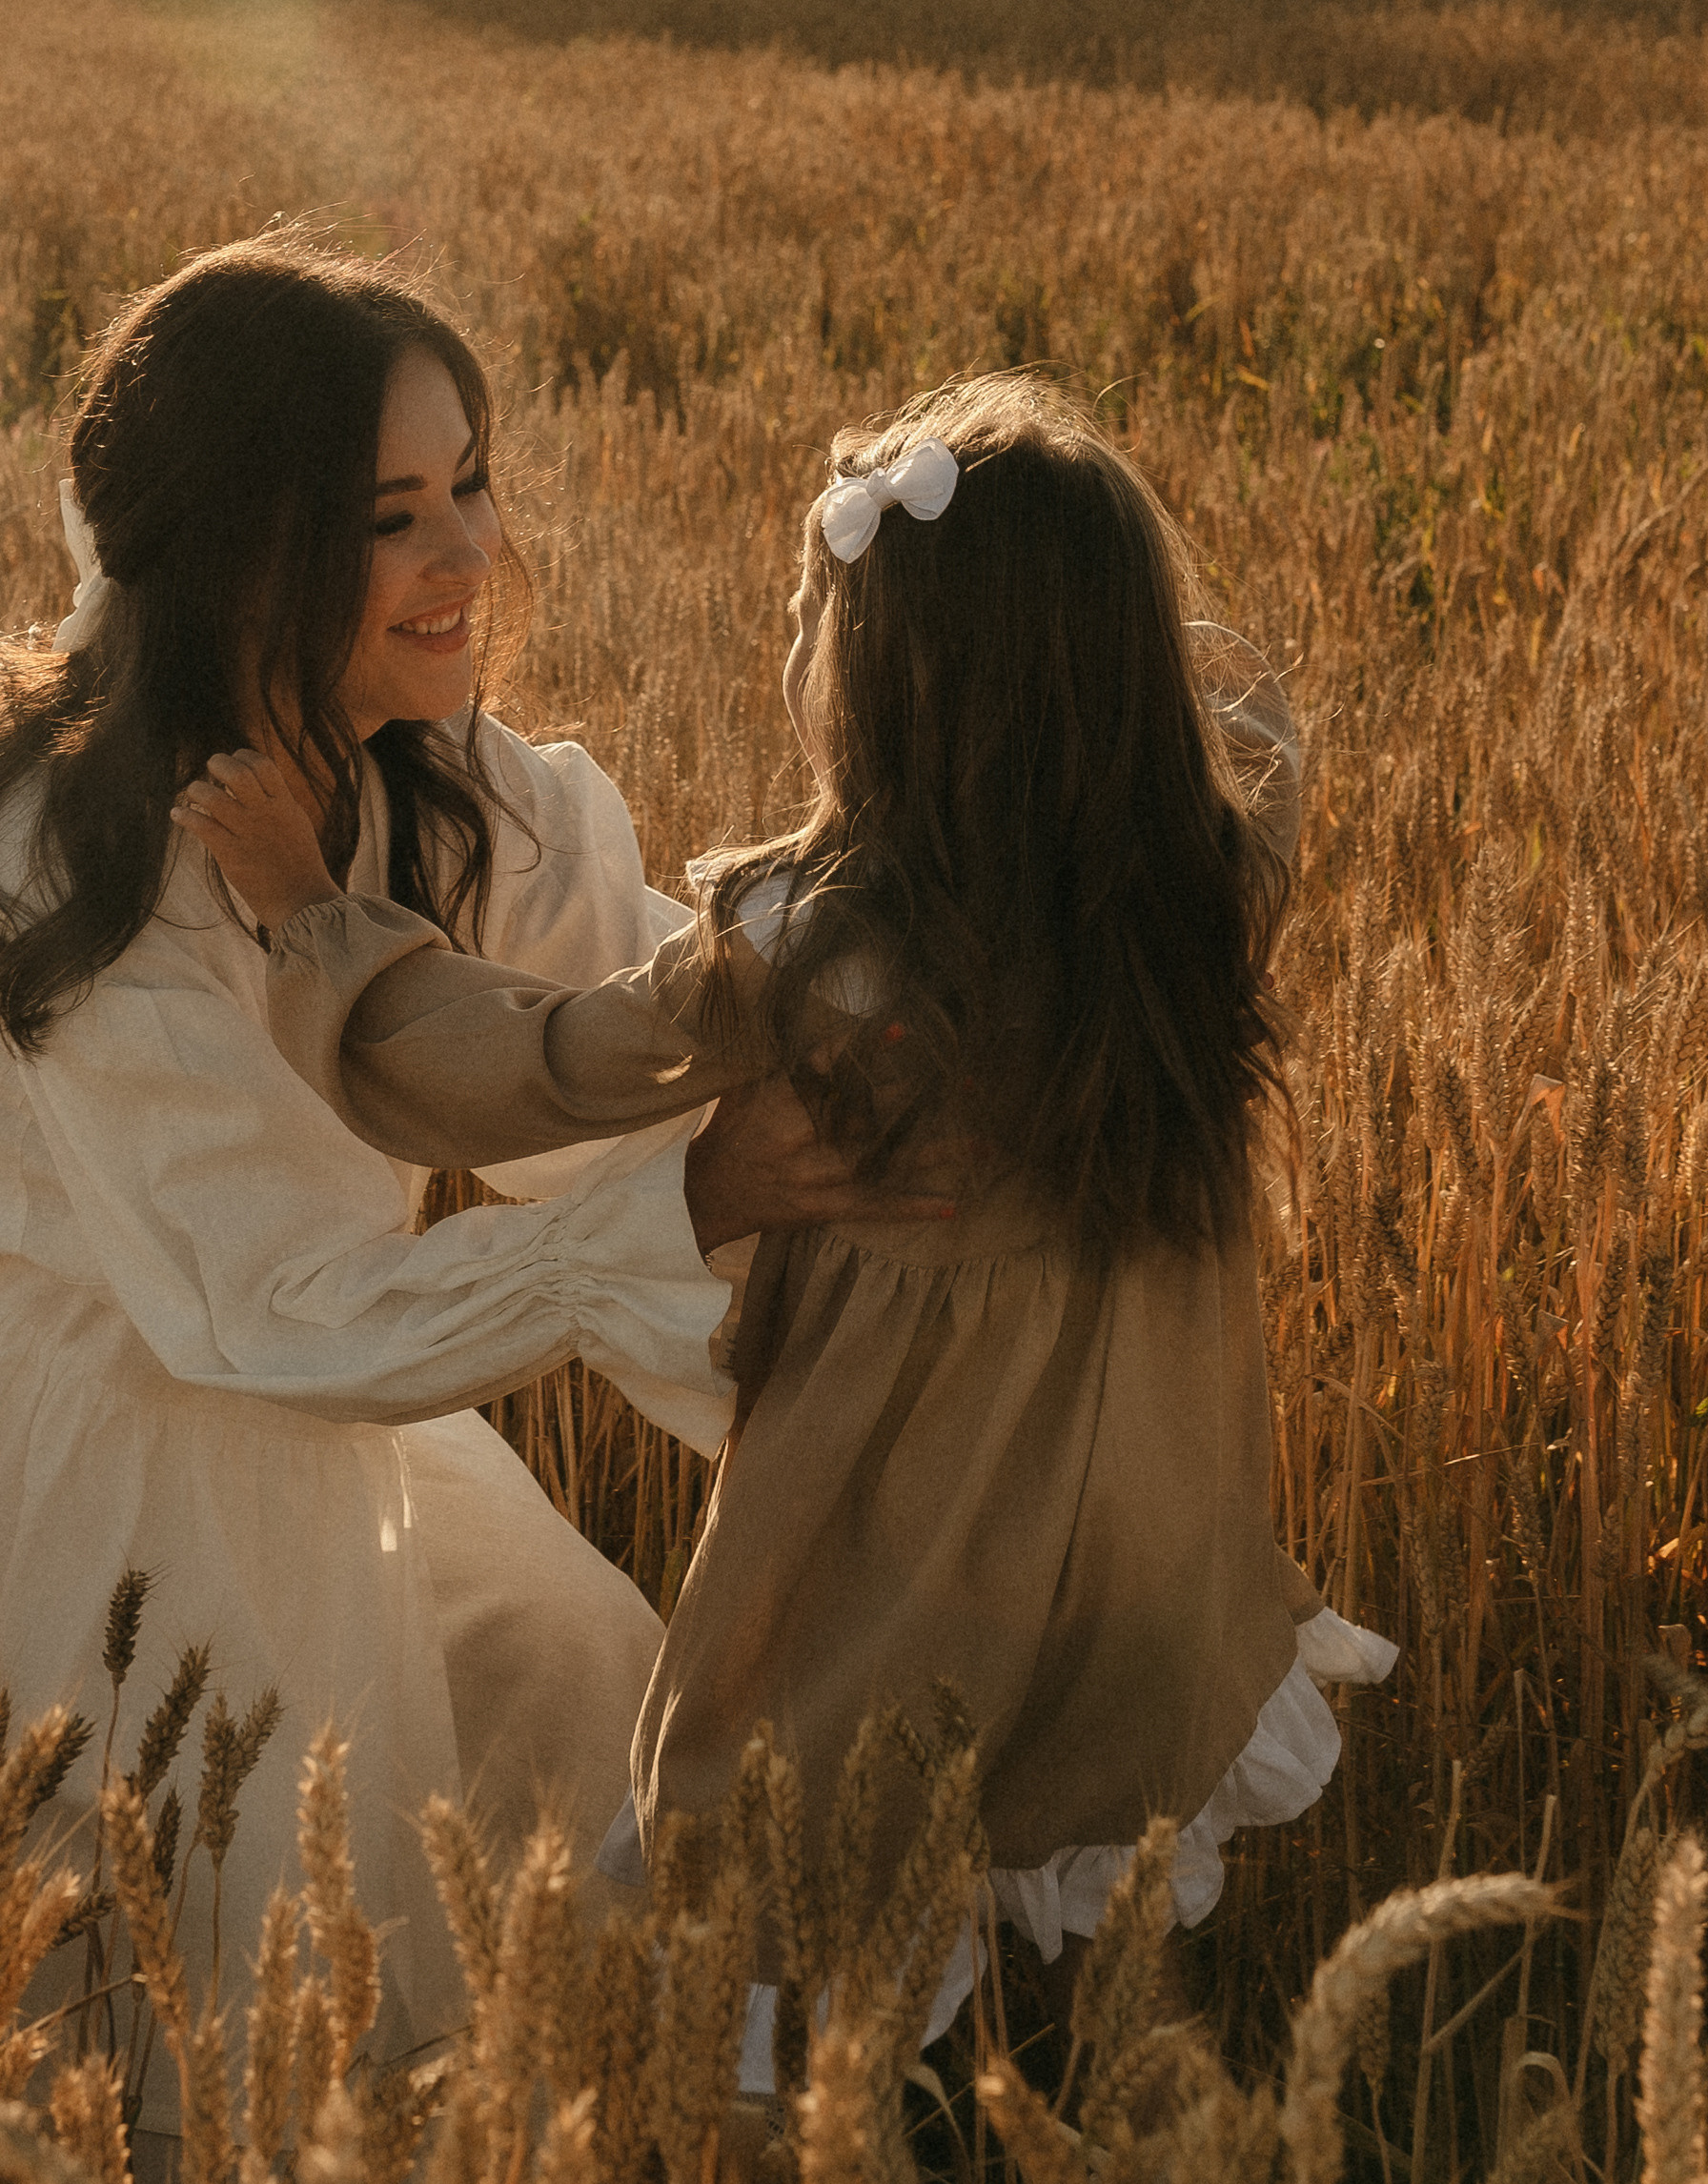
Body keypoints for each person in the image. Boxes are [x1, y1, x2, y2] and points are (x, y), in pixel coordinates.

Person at [0, 236, 952, 2089]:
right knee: (229, 1950)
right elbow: (261, 1305)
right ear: (249, 547)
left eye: (474, 486)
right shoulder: (68, 845)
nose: (467, 555)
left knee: (581, 1678)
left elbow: (629, 1044)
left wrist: (885, 1050)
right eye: (390, 515)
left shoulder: (435, 778)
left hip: (297, 1371)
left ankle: (667, 2171)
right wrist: (697, 1212)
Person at [174, 369, 1396, 2079]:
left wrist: (312, 910)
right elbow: (1260, 724)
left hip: (896, 1551)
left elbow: (523, 1068)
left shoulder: (808, 956)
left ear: (885, 696)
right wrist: (1107, 682)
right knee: (1104, 1977)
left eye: (817, 620)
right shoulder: (1201, 886)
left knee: (760, 1942)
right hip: (1143, 1540)